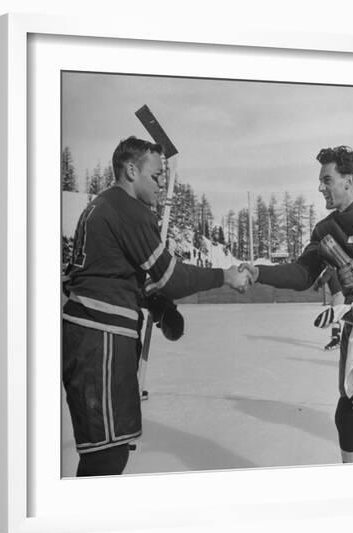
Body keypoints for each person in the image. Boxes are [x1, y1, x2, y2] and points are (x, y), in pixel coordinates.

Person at [62, 136, 252, 476]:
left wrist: (156, 302)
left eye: (164, 175)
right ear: (131, 170)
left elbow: (112, 272)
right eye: (156, 174)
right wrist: (224, 275)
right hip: (100, 341)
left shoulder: (105, 204)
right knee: (105, 456)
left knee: (110, 449)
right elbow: (173, 277)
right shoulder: (126, 209)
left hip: (95, 337)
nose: (162, 183)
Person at [241, 145, 353, 463]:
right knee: (348, 414)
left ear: (348, 180)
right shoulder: (325, 230)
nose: (320, 186)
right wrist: (259, 271)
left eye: (327, 179)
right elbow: (303, 274)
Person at [312, 266, 344, 351]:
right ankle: (338, 338)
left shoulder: (330, 270)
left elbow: (323, 280)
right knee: (337, 317)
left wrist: (317, 286)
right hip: (340, 294)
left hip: (338, 295)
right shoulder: (337, 268)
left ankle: (336, 340)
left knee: (334, 318)